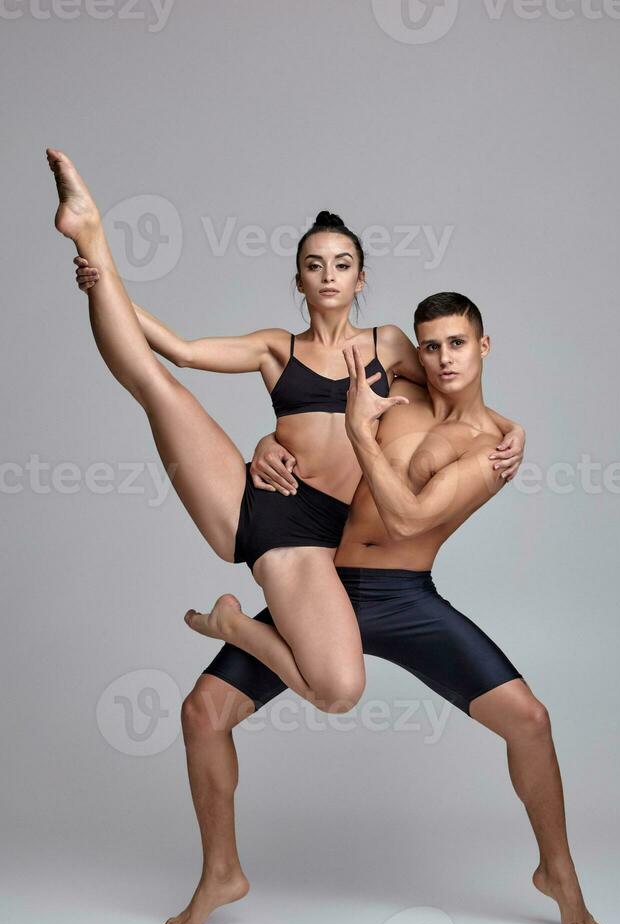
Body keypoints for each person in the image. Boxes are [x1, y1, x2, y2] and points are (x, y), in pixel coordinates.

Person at [165, 293, 601, 924]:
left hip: (403, 599)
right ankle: (221, 871)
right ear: (417, 351)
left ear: (483, 347)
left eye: (458, 343)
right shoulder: (395, 385)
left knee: (530, 721)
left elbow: (406, 518)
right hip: (322, 586)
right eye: (432, 345)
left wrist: (364, 432)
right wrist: (266, 443)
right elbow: (309, 422)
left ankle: (558, 872)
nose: (443, 357)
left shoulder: (493, 448)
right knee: (202, 712)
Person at [50, 144, 524, 716]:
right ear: (298, 279)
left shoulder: (389, 344)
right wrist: (104, 279)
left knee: (338, 691)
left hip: (320, 536)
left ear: (361, 279)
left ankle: (232, 624)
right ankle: (88, 231)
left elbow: (456, 390)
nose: (328, 276)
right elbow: (179, 348)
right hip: (263, 504)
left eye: (342, 264)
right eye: (315, 265)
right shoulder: (277, 346)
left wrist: (509, 427)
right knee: (156, 387)